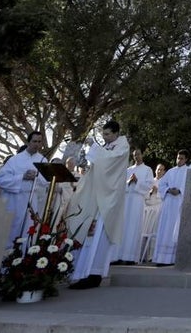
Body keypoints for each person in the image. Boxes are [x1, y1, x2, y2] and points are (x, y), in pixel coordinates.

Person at [68, 120, 130, 289]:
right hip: (97, 195)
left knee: (99, 234)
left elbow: (109, 164)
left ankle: (94, 273)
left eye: (108, 134)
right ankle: (81, 272)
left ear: (116, 133)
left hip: (108, 199)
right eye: (103, 134)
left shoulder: (122, 146)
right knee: (88, 232)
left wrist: (94, 147)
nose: (105, 137)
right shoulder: (108, 147)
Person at [0, 130, 47, 248]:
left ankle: (24, 260)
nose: (37, 144)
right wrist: (22, 177)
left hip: (32, 201)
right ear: (28, 142)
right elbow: (1, 180)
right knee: (12, 231)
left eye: (39, 142)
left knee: (28, 232)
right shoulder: (15, 160)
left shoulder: (42, 160)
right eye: (34, 141)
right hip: (15, 200)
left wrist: (37, 177)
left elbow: (46, 182)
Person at [152, 150, 190, 266]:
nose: (179, 160)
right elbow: (162, 184)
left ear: (186, 159)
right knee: (165, 228)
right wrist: (168, 190)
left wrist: (180, 190)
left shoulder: (188, 171)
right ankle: (161, 258)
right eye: (178, 158)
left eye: (182, 158)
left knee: (175, 228)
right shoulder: (170, 171)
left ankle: (172, 259)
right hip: (168, 203)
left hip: (179, 203)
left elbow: (189, 185)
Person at [117, 148, 155, 264]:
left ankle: (130, 257)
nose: (136, 157)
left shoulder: (147, 169)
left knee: (134, 228)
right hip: (127, 199)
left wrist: (137, 181)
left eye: (138, 154)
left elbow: (149, 186)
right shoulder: (128, 170)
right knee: (123, 228)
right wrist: (129, 181)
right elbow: (121, 184)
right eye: (134, 155)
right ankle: (119, 256)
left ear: (142, 155)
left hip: (138, 199)